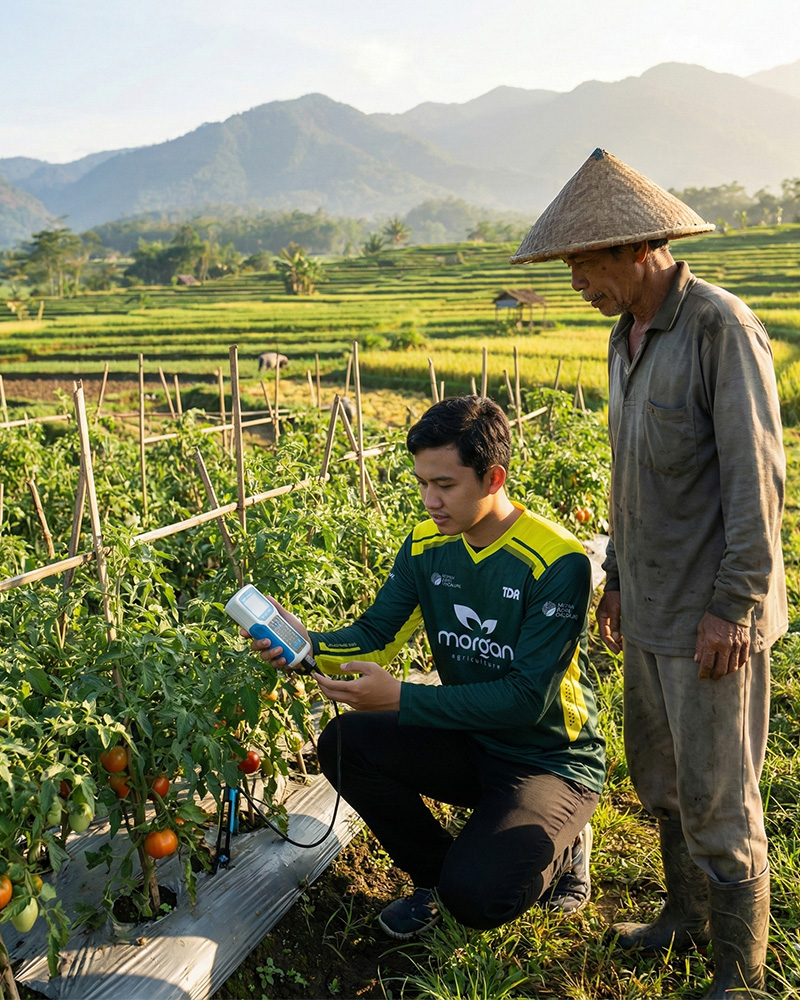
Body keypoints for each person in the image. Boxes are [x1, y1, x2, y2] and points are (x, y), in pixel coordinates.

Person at [510, 148, 787, 998]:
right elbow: (627, 473)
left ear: (637, 249)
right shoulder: (622, 338)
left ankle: (739, 976)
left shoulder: (717, 328)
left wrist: (733, 609)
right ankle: (686, 915)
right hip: (653, 606)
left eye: (583, 264)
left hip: (713, 618)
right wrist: (620, 577)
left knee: (719, 798)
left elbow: (757, 480)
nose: (574, 283)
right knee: (660, 778)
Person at [250, 395, 605, 939]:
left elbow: (525, 698)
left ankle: (564, 847)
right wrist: (305, 648)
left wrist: (402, 698)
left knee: (482, 899)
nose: (430, 500)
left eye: (445, 484)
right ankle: (437, 877)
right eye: (421, 483)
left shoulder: (557, 561)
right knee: (345, 742)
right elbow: (375, 634)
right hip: (469, 739)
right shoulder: (425, 546)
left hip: (547, 758)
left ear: (492, 478)